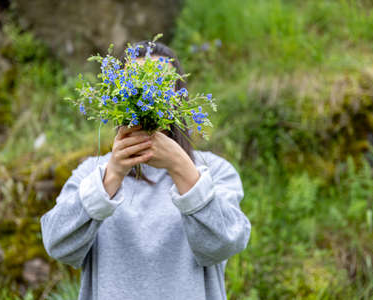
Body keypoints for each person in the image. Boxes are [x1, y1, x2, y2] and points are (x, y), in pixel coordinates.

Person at [40, 41, 252, 300]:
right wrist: (112, 176)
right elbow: (58, 245)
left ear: (178, 98)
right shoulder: (92, 172)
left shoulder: (214, 171)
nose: (146, 98)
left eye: (159, 86)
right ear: (118, 97)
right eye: (136, 86)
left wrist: (181, 166)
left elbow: (225, 244)